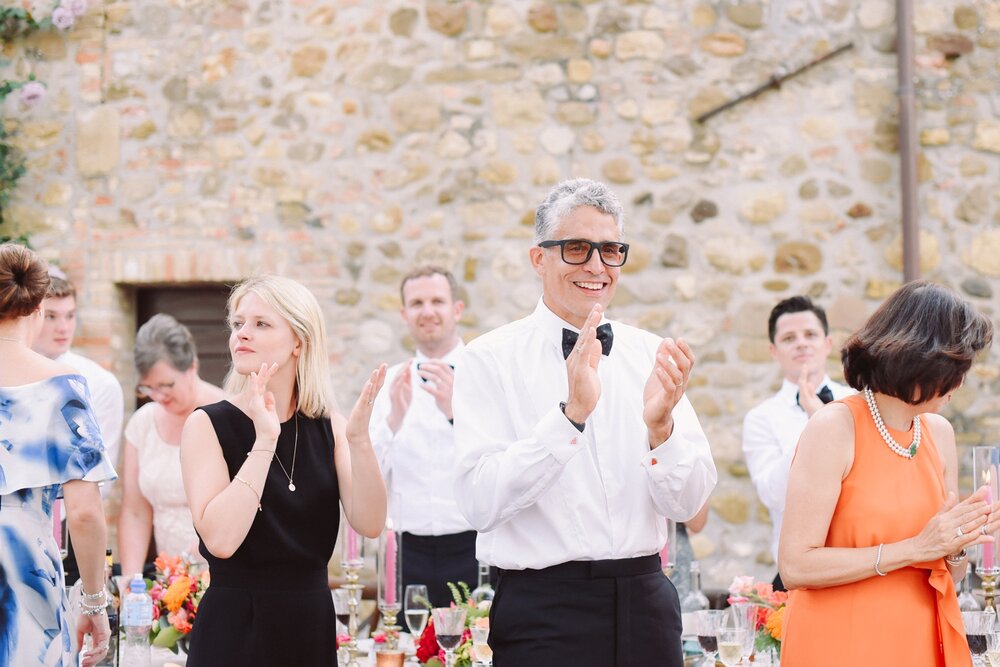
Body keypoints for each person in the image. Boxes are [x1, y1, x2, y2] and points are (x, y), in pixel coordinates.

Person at [453, 179, 717, 667]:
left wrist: (662, 431)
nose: (596, 265)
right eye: (577, 248)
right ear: (539, 259)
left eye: (610, 249)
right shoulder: (487, 360)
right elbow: (479, 503)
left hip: (648, 608)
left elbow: (689, 503)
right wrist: (569, 418)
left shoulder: (651, 355)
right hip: (543, 615)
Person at [779, 281, 997, 666]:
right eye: (957, 369)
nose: (961, 384)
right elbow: (796, 565)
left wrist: (959, 541)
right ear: (924, 361)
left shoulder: (939, 433)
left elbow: (953, 573)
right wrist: (914, 548)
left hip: (920, 641)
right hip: (841, 643)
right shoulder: (835, 428)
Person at [180, 275, 388, 665]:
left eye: (261, 324)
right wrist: (264, 442)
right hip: (233, 631)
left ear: (299, 342)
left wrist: (359, 441)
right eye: (238, 323)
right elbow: (222, 540)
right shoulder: (206, 425)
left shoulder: (331, 427)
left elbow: (371, 522)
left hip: (309, 630)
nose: (242, 334)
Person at [0, 243, 116, 667]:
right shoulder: (63, 385)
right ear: (37, 309)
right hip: (23, 567)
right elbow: (85, 513)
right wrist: (93, 602)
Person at [370, 266, 478, 607]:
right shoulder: (387, 386)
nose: (427, 311)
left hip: (474, 550)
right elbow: (368, 472)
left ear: (456, 309)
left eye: (437, 301)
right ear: (404, 314)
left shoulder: (484, 377)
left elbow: (502, 459)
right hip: (407, 554)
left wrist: (454, 415)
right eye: (417, 303)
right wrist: (392, 422)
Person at [741, 295, 853, 590]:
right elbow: (774, 496)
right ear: (774, 351)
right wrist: (815, 425)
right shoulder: (761, 418)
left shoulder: (859, 402)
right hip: (797, 575)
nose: (801, 343)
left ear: (828, 344)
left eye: (810, 335)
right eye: (789, 338)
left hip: (862, 562)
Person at [117, 314, 225, 577]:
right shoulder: (142, 424)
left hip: (221, 570)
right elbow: (135, 512)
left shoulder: (228, 414)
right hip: (167, 578)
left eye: (166, 385)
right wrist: (132, 582)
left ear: (192, 367)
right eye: (148, 388)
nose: (158, 396)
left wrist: (193, 564)